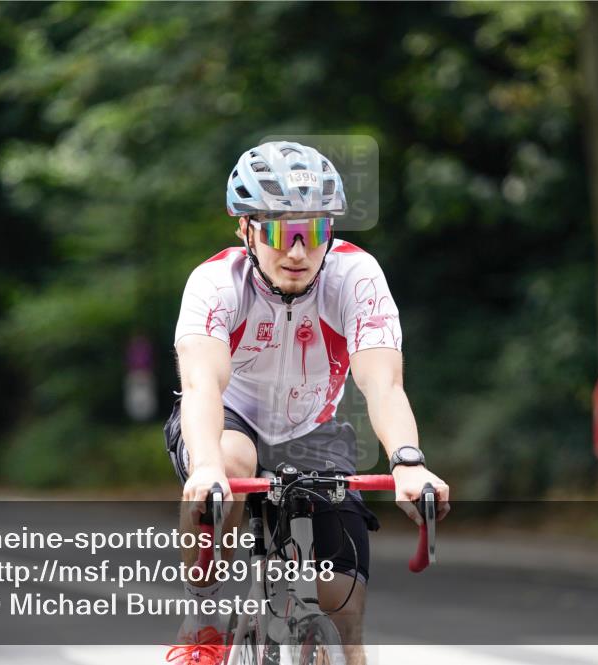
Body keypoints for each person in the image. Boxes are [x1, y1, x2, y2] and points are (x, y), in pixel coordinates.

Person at [163, 141, 450, 665]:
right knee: (231, 461)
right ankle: (203, 620)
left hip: (311, 427)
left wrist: (408, 461)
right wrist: (206, 468)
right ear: (246, 230)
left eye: (313, 232)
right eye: (279, 232)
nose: (297, 252)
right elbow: (202, 386)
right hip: (229, 417)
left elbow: (383, 384)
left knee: (346, 612)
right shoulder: (216, 283)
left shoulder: (356, 278)